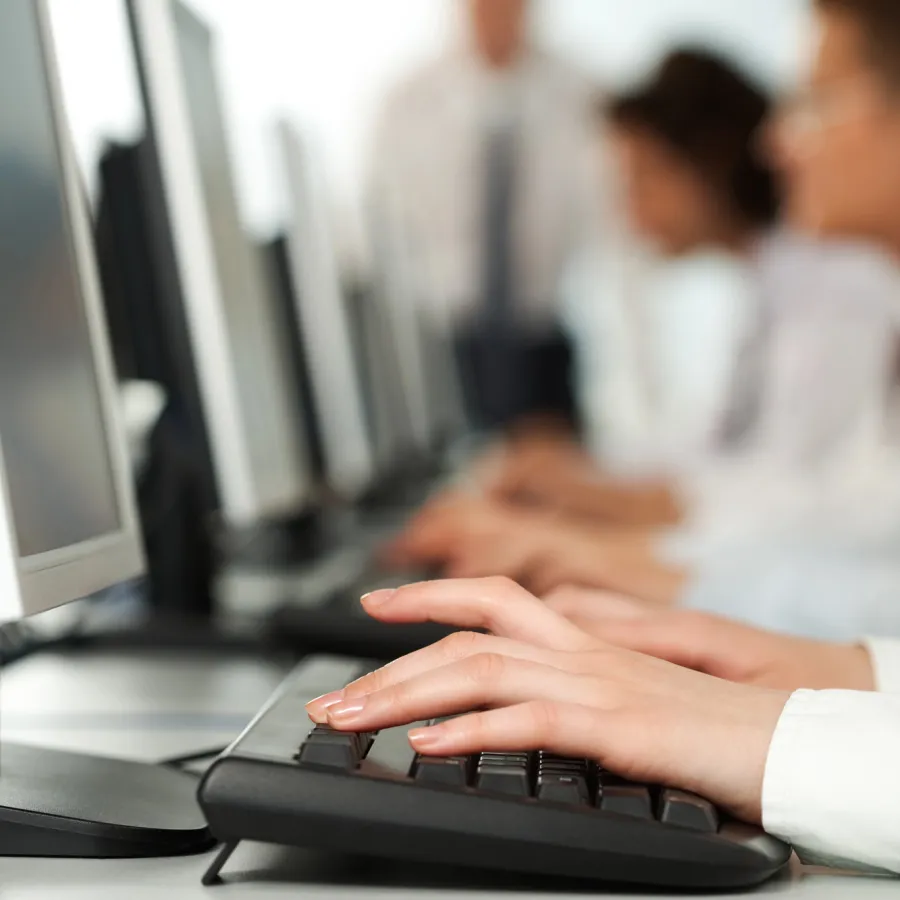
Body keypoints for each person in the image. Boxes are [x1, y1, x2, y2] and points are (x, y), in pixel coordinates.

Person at [312, 0, 900, 873]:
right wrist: (810, 668)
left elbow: (827, 509)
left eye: (819, 100)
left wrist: (737, 704)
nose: (777, 145)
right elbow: (816, 497)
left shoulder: (848, 293)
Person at [384, 48, 900, 637]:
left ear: (703, 166)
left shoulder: (843, 285)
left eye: (642, 181)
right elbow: (720, 449)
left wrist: (606, 523)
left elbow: (814, 499)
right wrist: (590, 477)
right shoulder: (779, 283)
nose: (630, 213)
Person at [365, 0, 600, 431]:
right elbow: (373, 235)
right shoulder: (407, 101)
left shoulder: (583, 94)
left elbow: (622, 246)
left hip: (542, 345)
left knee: (551, 470)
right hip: (445, 345)